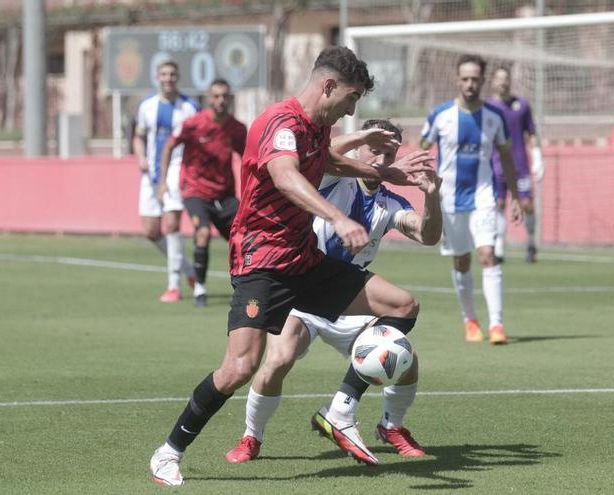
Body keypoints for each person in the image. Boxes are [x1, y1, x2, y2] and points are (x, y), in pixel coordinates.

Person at [148, 46, 435, 486]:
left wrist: (387, 174)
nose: (352, 109)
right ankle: (169, 451)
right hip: (260, 262)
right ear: (328, 86)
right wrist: (336, 217)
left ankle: (341, 408)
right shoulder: (280, 122)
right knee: (240, 368)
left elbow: (329, 161)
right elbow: (285, 175)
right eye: (352, 98)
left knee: (402, 305)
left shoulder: (318, 128)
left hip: (304, 260)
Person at [224, 118, 442, 466]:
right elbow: (326, 153)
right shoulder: (329, 177)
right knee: (277, 361)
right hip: (306, 290)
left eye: (390, 154)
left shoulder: (390, 203)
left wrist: (432, 198)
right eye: (375, 150)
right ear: (359, 148)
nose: (382, 162)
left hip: (351, 298)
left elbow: (428, 235)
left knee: (404, 358)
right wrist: (357, 139)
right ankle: (252, 435)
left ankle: (390, 426)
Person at [420, 54, 523, 346]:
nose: (470, 84)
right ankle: (470, 321)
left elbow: (507, 156)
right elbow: (423, 149)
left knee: (488, 254)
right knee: (462, 261)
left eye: (475, 79)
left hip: (483, 197)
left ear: (482, 81)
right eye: (465, 78)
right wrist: (428, 192)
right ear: (457, 80)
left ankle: (497, 324)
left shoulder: (495, 117)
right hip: (450, 200)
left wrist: (515, 196)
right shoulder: (440, 115)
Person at [158, 79, 247, 307]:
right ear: (209, 98)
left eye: (225, 96)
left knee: (244, 238)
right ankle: (199, 287)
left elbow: (248, 159)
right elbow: (169, 145)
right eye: (216, 96)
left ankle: (244, 286)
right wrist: (162, 182)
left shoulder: (236, 129)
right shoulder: (193, 124)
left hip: (225, 195)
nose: (220, 101)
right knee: (203, 233)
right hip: (195, 191)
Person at [133, 60, 198, 303]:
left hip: (176, 171)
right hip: (150, 174)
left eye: (172, 74)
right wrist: (140, 158)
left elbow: (200, 138)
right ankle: (189, 271)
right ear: (157, 77)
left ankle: (174, 286)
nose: (168, 78)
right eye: (164, 74)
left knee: (171, 225)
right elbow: (139, 137)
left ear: (178, 77)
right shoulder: (146, 106)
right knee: (151, 231)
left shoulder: (189, 107)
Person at [486, 66, 544, 263]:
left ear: (510, 81)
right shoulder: (486, 107)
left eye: (506, 78)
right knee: (499, 204)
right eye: (499, 78)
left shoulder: (522, 105)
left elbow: (532, 133)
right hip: (495, 164)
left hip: (520, 165)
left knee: (527, 204)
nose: (503, 82)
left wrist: (537, 156)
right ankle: (499, 248)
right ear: (493, 81)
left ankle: (531, 244)